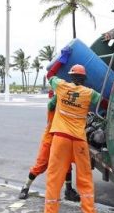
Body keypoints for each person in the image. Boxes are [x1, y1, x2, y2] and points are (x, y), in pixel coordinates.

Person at [37, 62, 101, 213]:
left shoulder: (61, 86)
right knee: (85, 181)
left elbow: (50, 75)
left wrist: (61, 61)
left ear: (71, 76)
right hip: (79, 141)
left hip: (60, 140)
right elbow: (103, 100)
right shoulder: (89, 93)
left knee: (54, 182)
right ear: (84, 79)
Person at [19, 46, 80, 202]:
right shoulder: (52, 105)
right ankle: (26, 186)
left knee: (67, 164)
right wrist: (61, 61)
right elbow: (51, 75)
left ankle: (68, 190)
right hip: (51, 138)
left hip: (62, 137)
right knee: (41, 164)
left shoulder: (67, 102)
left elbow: (52, 76)